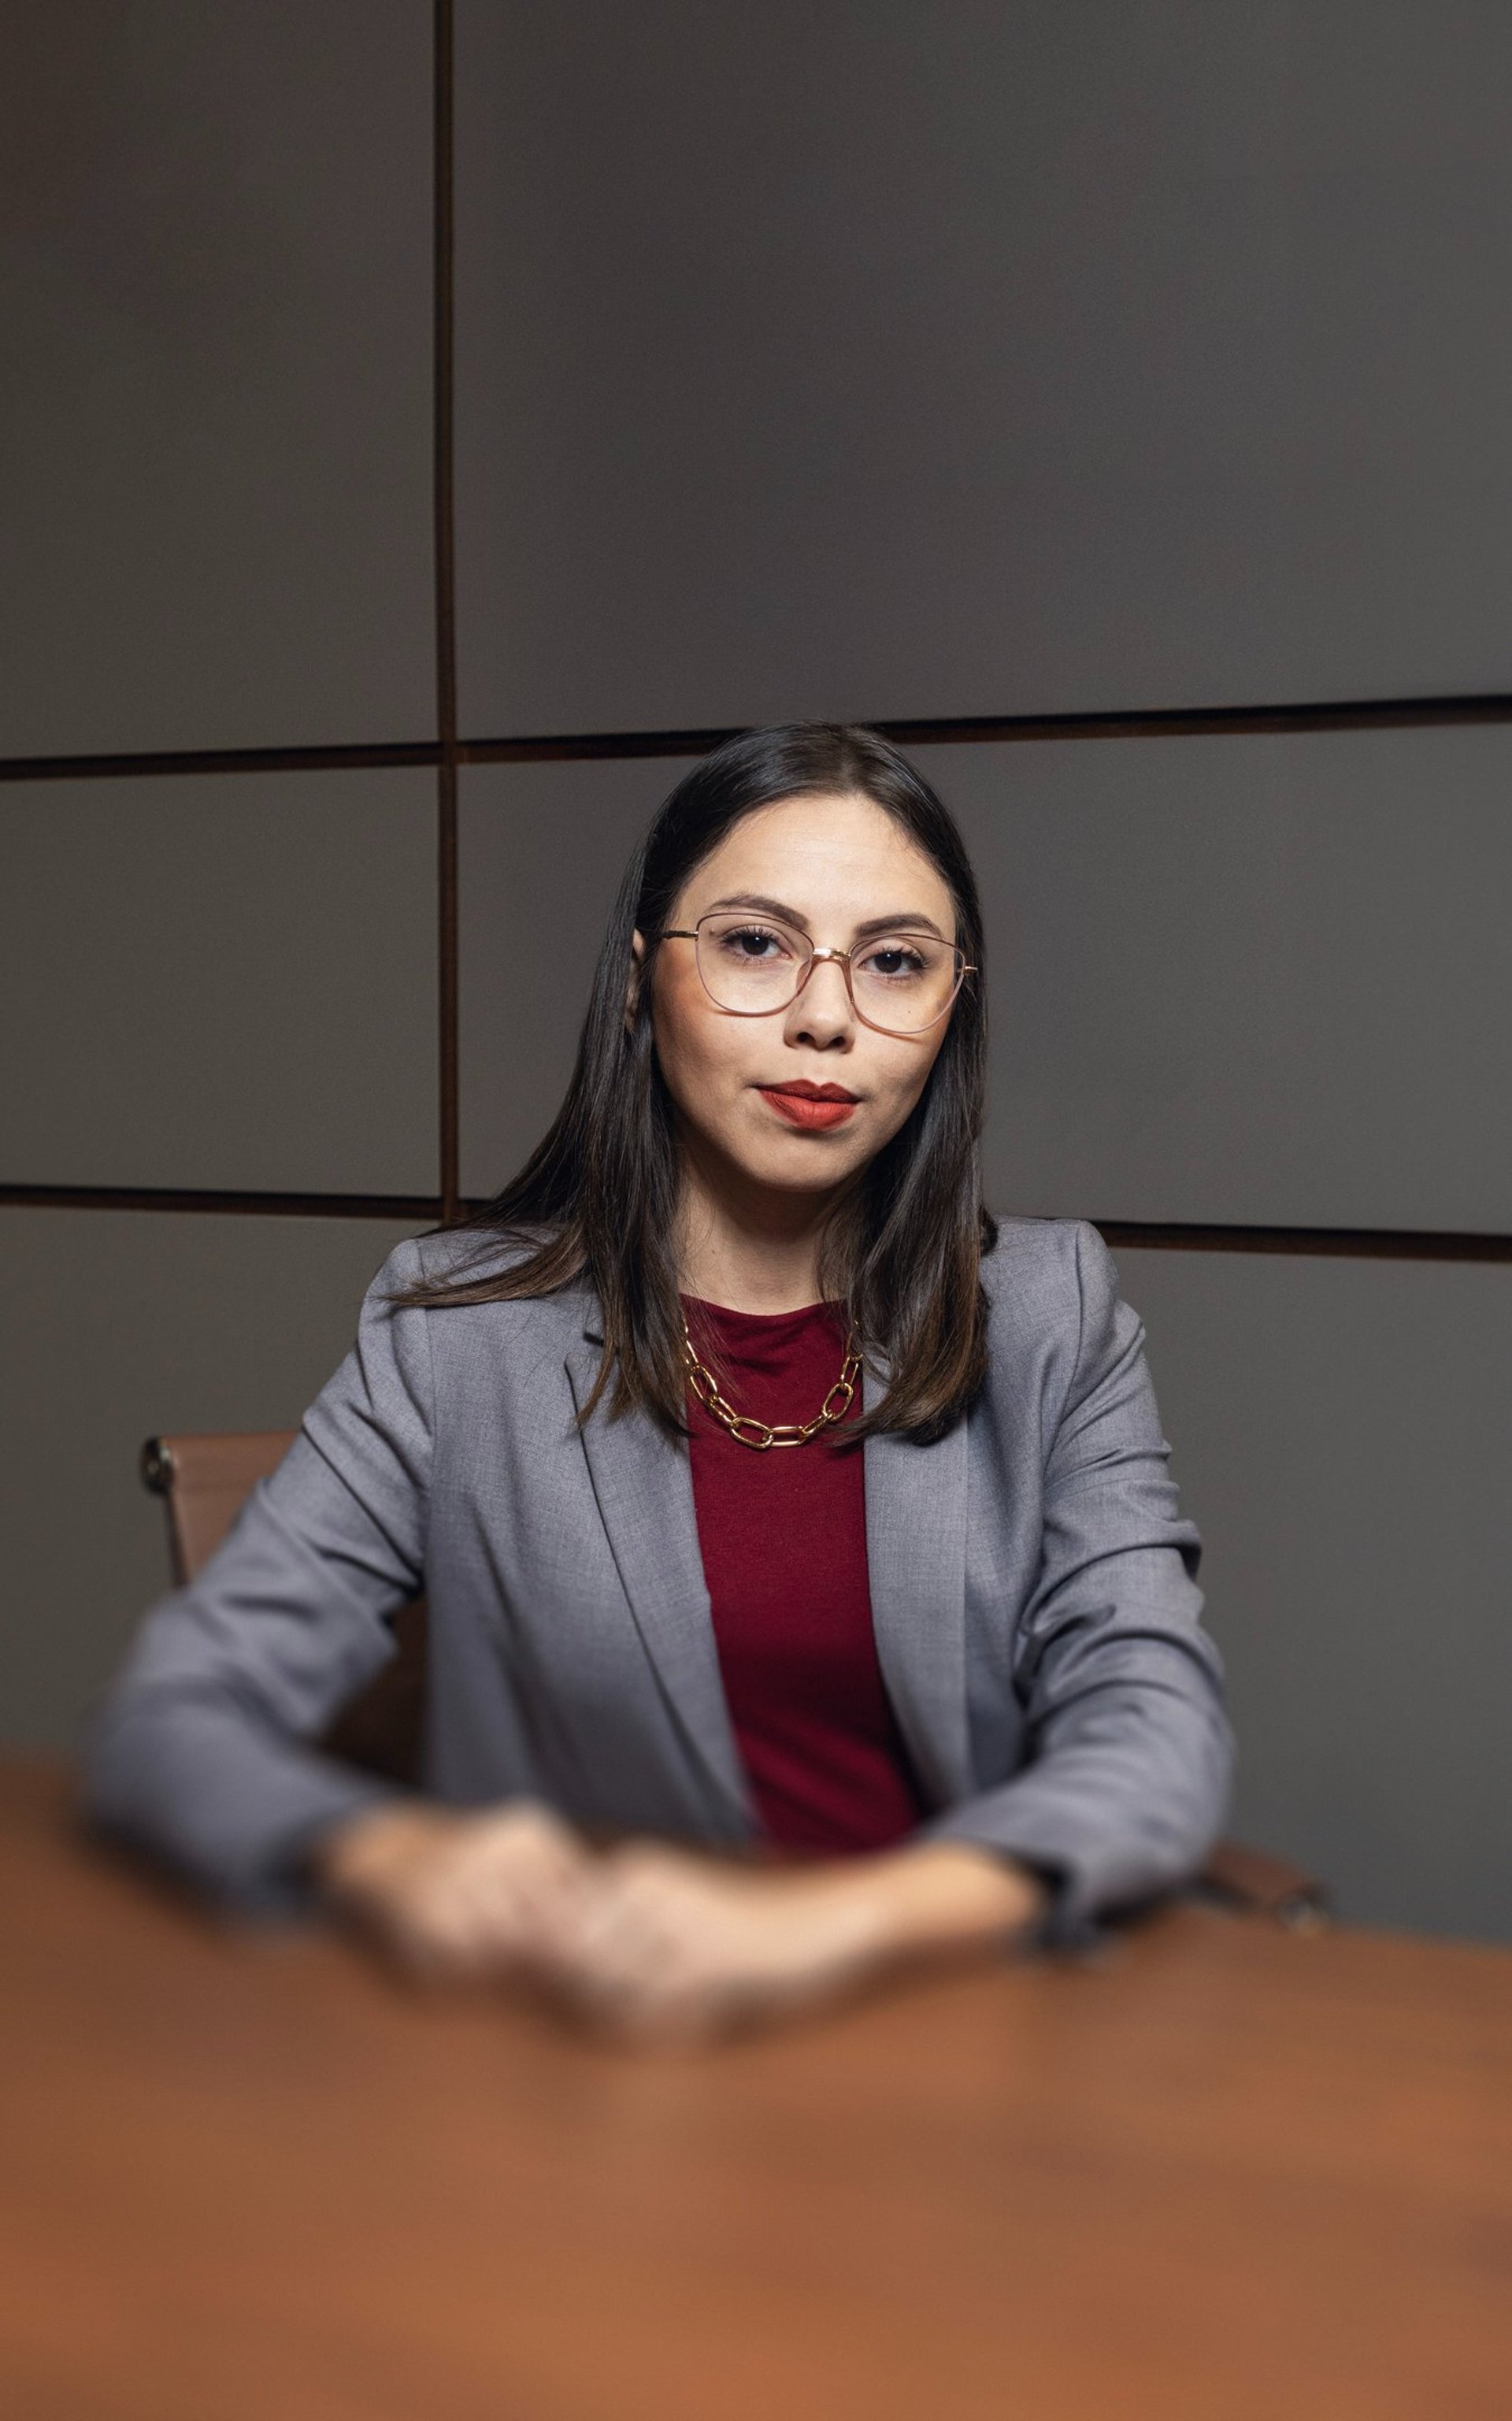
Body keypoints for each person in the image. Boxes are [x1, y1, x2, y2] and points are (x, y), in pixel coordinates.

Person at [83, 722, 1232, 2043]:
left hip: (942, 2022)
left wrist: (841, 1924)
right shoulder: (458, 1335)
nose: (823, 1017)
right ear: (641, 982)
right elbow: (173, 1716)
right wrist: (386, 1853)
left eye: (895, 961)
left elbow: (1156, 1731)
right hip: (594, 2046)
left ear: (950, 1010)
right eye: (754, 943)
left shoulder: (1048, 1313)